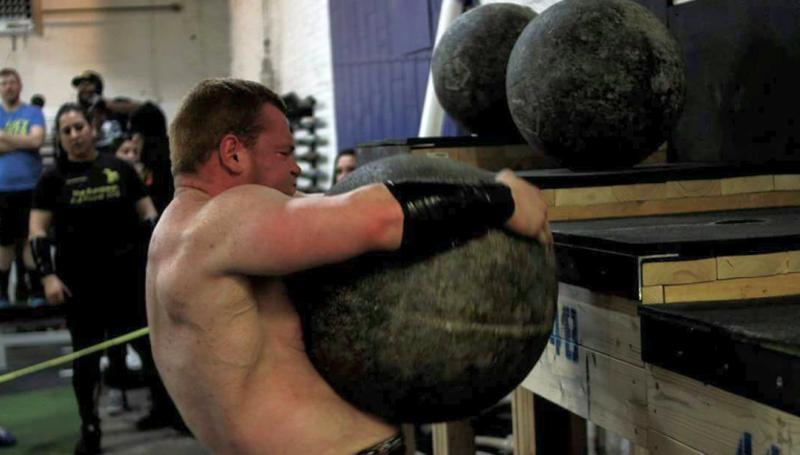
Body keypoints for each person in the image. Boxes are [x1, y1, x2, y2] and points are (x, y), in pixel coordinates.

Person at [146, 78, 550, 454]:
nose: (295, 167)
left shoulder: (172, 233)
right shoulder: (226, 217)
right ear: (233, 152)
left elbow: (317, 209)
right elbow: (379, 217)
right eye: (283, 152)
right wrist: (504, 199)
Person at [29, 103, 158, 455]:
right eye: (67, 130)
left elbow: (149, 214)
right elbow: (37, 231)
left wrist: (156, 261)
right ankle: (90, 426)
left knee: (149, 348)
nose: (74, 134)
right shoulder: (52, 179)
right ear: (62, 137)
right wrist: (48, 276)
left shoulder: (118, 168)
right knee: (86, 359)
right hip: (80, 284)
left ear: (90, 129)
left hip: (126, 278)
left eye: (78, 126)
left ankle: (167, 412)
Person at [0, 68, 46, 308]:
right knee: (4, 242)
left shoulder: (33, 112)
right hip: (2, 189)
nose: (8, 86)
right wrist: (23, 142)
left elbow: (37, 140)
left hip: (30, 187)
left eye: (12, 82)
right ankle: (2, 295)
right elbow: (29, 141)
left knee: (30, 239)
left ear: (19, 85)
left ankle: (37, 291)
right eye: (4, 83)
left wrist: (4, 138)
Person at [71, 70, 140, 154]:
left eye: (87, 84)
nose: (83, 88)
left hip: (119, 157)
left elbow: (141, 108)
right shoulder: (76, 114)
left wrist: (104, 104)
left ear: (97, 87)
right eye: (80, 86)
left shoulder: (114, 106)